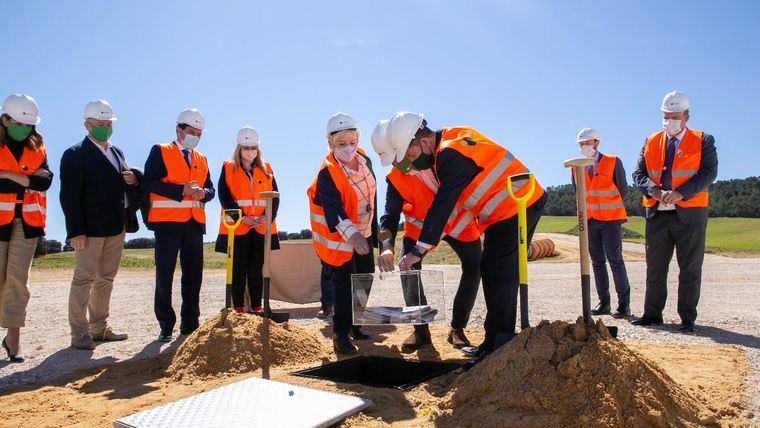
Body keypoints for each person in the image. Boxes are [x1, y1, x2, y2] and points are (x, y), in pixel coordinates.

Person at [385, 112, 547, 357]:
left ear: (425, 143)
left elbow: (443, 204)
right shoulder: (452, 137)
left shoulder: (448, 155)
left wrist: (418, 250)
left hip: (516, 206)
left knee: (499, 274)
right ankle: (493, 344)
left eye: (413, 156)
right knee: (492, 270)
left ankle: (499, 346)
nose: (413, 163)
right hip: (506, 211)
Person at [371, 119, 482, 351]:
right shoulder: (395, 179)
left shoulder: (435, 158)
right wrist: (387, 246)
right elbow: (388, 218)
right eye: (392, 161)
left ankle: (457, 329)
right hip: (419, 229)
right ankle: (421, 331)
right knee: (408, 269)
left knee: (475, 266)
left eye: (397, 158)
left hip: (457, 222)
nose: (397, 164)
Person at [631, 91, 718, 333]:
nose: (670, 121)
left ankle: (687, 318)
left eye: (675, 117)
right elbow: (638, 174)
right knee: (655, 266)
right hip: (657, 213)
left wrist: (680, 193)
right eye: (666, 116)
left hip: (690, 214)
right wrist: (654, 191)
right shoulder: (651, 140)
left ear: (686, 116)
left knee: (690, 267)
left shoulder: (703, 140)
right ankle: (652, 314)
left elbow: (708, 173)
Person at [60, 99, 142, 350]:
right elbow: (69, 196)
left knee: (105, 279)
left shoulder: (117, 152)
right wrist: (75, 231)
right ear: (87, 125)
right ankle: (79, 333)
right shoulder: (75, 154)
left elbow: (121, 184)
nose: (105, 127)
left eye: (108, 123)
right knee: (83, 280)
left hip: (115, 226)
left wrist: (133, 179)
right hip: (89, 230)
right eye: (100, 123)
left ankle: (99, 328)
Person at [307, 112, 377, 354]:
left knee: (364, 278)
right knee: (345, 285)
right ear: (330, 143)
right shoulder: (327, 172)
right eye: (341, 143)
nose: (348, 148)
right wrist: (353, 235)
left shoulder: (366, 162)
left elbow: (371, 197)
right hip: (341, 237)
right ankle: (340, 335)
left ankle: (356, 325)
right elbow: (333, 209)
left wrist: (370, 234)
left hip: (365, 231)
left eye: (352, 141)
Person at [144, 108, 215, 342]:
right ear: (179, 129)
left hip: (194, 224)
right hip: (167, 224)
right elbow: (150, 183)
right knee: (165, 274)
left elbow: (211, 189)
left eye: (199, 133)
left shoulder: (201, 158)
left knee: (194, 275)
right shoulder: (161, 151)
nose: (195, 136)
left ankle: (190, 322)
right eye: (191, 132)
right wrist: (180, 191)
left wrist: (203, 194)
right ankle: (166, 324)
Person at [0, 93, 52, 363]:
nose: (25, 129)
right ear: (5, 119)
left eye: (29, 125)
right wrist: (25, 180)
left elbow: (44, 181)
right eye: (20, 124)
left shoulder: (38, 147)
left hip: (27, 222)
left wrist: (8, 175)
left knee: (18, 282)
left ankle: (13, 339)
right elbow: (33, 181)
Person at [215, 126, 280, 313]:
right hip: (238, 227)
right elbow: (224, 196)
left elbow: (275, 196)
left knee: (256, 268)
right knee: (238, 268)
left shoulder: (267, 169)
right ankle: (238, 307)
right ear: (239, 148)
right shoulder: (228, 168)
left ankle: (257, 306)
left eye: (253, 148)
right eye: (246, 147)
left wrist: (267, 217)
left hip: (260, 227)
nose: (249, 151)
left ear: (257, 149)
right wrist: (242, 218)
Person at [571, 128, 631, 318]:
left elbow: (623, 189)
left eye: (587, 143)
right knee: (597, 262)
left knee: (615, 260)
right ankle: (604, 303)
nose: (584, 147)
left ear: (597, 143)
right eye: (581, 144)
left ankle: (624, 305)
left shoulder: (612, 162)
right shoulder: (576, 166)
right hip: (590, 220)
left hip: (611, 220)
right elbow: (577, 191)